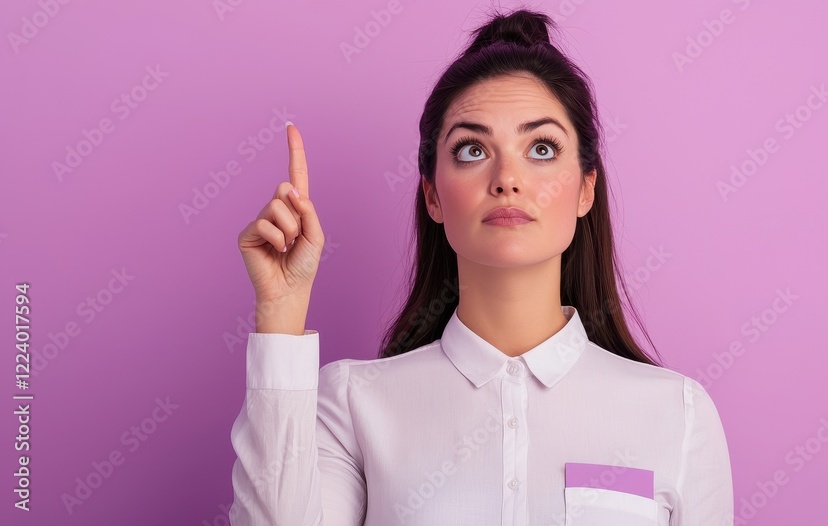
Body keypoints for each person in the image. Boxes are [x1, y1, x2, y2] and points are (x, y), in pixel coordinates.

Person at [230, 7, 733, 526]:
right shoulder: (355, 404)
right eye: (472, 150)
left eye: (541, 148)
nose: (506, 178)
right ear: (433, 196)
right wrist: (281, 314)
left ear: (586, 188)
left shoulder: (677, 413)